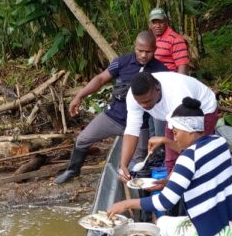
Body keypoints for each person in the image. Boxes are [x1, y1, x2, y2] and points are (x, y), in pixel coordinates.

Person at [107, 97, 232, 236]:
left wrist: (126, 204)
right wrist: (168, 181)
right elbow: (198, 166)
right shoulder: (219, 142)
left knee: (160, 223)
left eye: (175, 133)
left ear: (188, 130)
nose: (174, 138)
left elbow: (165, 202)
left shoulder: (188, 157)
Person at [54, 31, 169, 184]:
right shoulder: (122, 62)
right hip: (112, 117)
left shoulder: (160, 70)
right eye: (140, 51)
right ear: (135, 47)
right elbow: (101, 79)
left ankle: (139, 194)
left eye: (148, 52)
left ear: (155, 50)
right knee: (82, 139)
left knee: (139, 162)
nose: (143, 55)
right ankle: (73, 170)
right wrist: (79, 96)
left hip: (140, 125)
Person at [118, 72, 217, 183]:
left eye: (147, 101)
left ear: (157, 88)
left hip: (203, 110)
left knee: (198, 155)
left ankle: (195, 186)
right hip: (173, 113)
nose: (144, 106)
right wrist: (123, 166)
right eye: (139, 103)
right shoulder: (133, 95)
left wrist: (168, 181)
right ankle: (175, 191)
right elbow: (132, 129)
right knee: (171, 159)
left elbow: (190, 150)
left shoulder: (177, 93)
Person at [149, 8, 189, 75]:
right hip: (151, 79)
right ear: (149, 24)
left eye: (161, 22)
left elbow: (182, 66)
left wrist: (180, 83)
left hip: (169, 79)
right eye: (154, 23)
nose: (157, 26)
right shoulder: (149, 38)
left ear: (166, 22)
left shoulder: (176, 39)